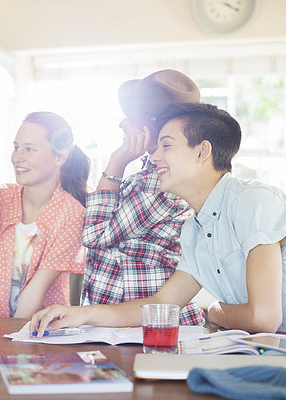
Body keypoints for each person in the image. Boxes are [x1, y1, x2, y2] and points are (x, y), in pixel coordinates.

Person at [30, 103, 286, 335]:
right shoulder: (194, 229)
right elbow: (161, 303)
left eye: (166, 146)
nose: (154, 157)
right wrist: (81, 314)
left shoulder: (255, 201)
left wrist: (217, 309)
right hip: (271, 352)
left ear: (203, 151)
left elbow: (264, 317)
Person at [80, 69, 204, 326]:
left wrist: (117, 160)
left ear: (146, 126)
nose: (122, 124)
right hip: (128, 321)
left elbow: (94, 235)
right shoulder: (150, 173)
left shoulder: (158, 184)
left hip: (145, 325)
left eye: (129, 118)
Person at [0, 112, 90, 318]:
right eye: (16, 147)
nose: (17, 157)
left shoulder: (71, 213)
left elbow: (36, 291)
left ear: (59, 157)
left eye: (30, 149)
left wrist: (11, 339)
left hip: (42, 330)